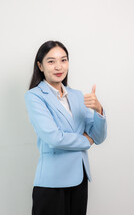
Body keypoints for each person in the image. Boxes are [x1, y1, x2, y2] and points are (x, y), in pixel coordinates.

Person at [24, 40, 107, 215]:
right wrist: (86, 140)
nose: (58, 66)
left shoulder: (77, 95)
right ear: (40, 65)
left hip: (79, 179)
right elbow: (53, 138)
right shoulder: (35, 96)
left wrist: (99, 110)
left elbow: (98, 137)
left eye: (63, 60)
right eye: (51, 61)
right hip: (52, 182)